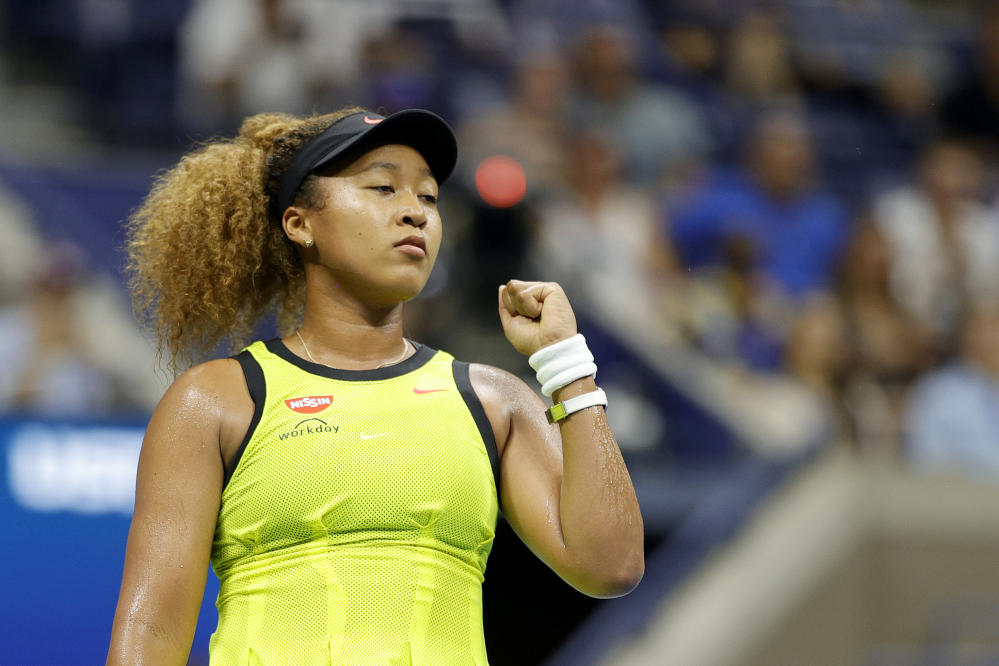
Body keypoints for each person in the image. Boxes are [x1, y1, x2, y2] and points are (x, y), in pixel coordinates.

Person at [106, 107, 644, 664]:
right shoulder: (216, 399)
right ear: (300, 223)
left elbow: (611, 565)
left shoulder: (493, 401)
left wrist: (565, 364)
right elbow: (152, 636)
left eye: (429, 198)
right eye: (383, 188)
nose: (414, 212)